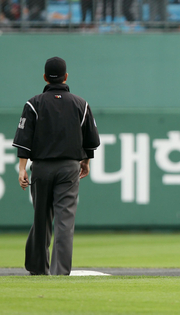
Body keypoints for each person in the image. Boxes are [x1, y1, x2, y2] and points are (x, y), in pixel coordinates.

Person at [13, 57, 100, 276]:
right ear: (66, 76)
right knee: (64, 220)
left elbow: (25, 139)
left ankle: (38, 268)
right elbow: (91, 139)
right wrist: (86, 161)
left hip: (41, 167)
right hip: (69, 168)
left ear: (44, 77)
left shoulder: (34, 103)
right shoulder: (81, 103)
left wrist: (22, 168)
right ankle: (60, 271)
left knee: (41, 217)